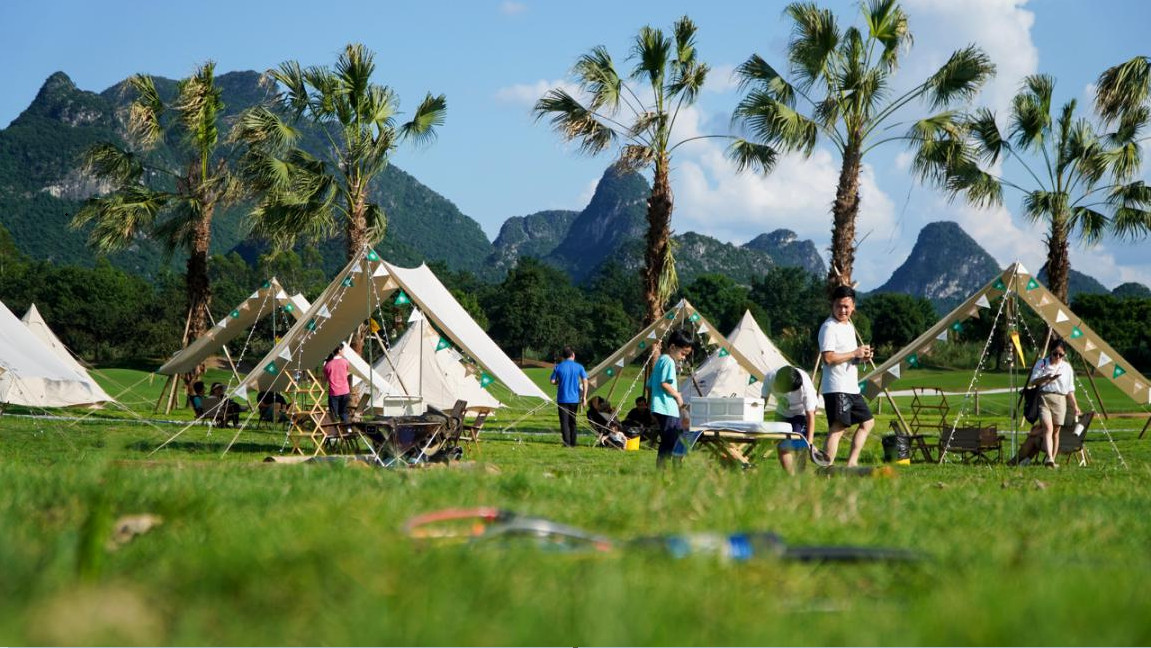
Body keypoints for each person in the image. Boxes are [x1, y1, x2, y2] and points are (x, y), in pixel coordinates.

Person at [818, 285, 875, 467]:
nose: (842, 310)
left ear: (853, 307)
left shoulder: (849, 326)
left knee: (868, 423)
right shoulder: (829, 327)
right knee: (838, 428)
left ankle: (851, 464)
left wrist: (862, 357)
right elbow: (828, 358)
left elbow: (849, 358)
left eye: (846, 307)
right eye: (839, 306)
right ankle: (825, 467)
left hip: (851, 387)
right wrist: (854, 353)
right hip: (836, 387)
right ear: (832, 305)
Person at [1008, 340, 1081, 468]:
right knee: (1048, 428)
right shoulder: (1042, 364)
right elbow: (1033, 381)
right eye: (1055, 353)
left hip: (1060, 399)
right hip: (1044, 397)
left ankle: (1051, 459)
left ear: (1064, 354)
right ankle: (1050, 459)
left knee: (1055, 432)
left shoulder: (1067, 367)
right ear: (1050, 352)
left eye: (1061, 355)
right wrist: (1047, 378)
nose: (1057, 357)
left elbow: (1070, 389)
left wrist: (1075, 406)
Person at [648, 330, 693, 467]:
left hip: (661, 408)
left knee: (673, 437)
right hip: (667, 409)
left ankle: (669, 468)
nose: (683, 358)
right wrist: (677, 395)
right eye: (683, 353)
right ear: (673, 347)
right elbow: (664, 384)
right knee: (670, 441)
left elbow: (650, 385)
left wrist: (654, 402)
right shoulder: (668, 361)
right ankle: (664, 470)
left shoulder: (660, 360)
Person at [766, 365, 819, 475]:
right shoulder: (770, 377)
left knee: (800, 446)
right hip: (782, 412)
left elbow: (810, 416)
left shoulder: (806, 388)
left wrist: (809, 443)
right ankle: (791, 477)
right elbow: (762, 401)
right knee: (783, 446)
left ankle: (800, 476)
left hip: (801, 413)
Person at [550, 346, 588, 447]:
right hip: (574, 399)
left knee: (564, 422)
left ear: (563, 356)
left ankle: (566, 443)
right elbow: (585, 381)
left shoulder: (558, 367)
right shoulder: (579, 367)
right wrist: (584, 397)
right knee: (573, 421)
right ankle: (573, 442)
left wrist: (558, 382)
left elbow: (552, 381)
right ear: (573, 355)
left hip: (562, 399)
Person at [323, 344, 352, 426]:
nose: (344, 351)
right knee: (344, 412)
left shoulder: (328, 365)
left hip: (334, 393)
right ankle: (348, 429)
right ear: (339, 350)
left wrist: (322, 388)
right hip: (345, 391)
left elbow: (325, 379)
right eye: (343, 350)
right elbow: (345, 372)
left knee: (334, 415)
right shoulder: (345, 362)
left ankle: (335, 431)